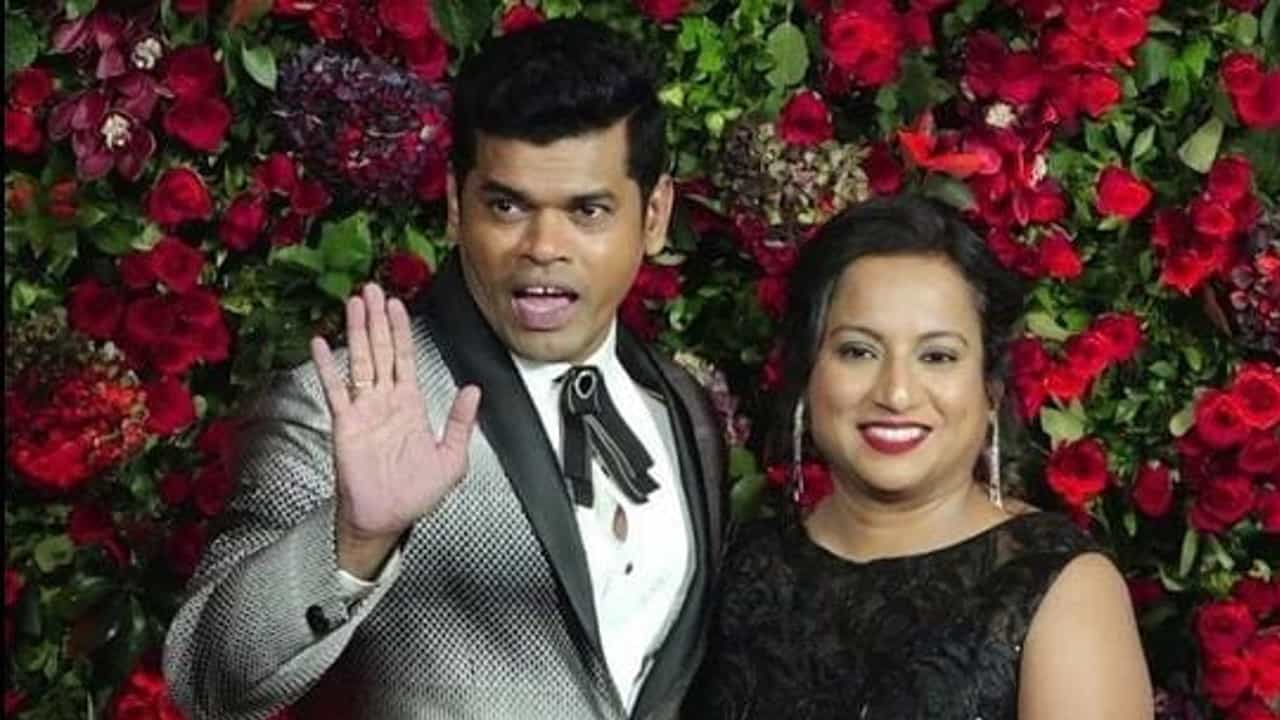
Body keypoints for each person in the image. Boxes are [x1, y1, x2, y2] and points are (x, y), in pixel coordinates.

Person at [164, 19, 727, 720]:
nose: (543, 246)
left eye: (588, 211)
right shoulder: (340, 404)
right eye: (507, 206)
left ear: (655, 214)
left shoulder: (679, 408)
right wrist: (353, 541)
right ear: (458, 207)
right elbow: (207, 678)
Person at [685, 196, 1152, 720]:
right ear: (807, 375)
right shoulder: (738, 566)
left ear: (990, 390)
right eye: (858, 351)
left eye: (937, 356)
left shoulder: (1058, 587)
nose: (897, 392)